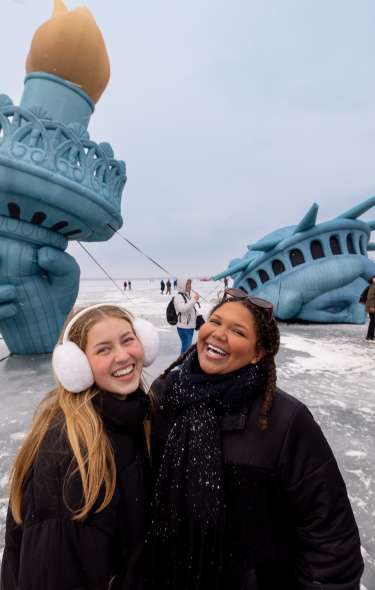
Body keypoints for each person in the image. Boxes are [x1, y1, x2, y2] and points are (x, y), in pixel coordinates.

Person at [148, 288, 364, 590]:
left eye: (237, 331)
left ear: (258, 353)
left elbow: (329, 535)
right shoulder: (165, 396)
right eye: (216, 321)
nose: (219, 334)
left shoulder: (285, 421)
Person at [1, 304, 159, 590]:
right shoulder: (70, 452)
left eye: (127, 340)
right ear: (76, 366)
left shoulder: (132, 417)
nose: (123, 356)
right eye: (103, 349)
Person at [173, 277, 200, 354]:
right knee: (186, 348)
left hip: (189, 326)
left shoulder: (186, 296)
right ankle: (182, 365)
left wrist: (194, 302)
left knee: (187, 348)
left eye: (190, 283)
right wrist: (194, 300)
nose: (189, 286)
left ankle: (183, 364)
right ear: (182, 285)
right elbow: (182, 309)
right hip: (184, 327)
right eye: (187, 283)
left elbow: (190, 308)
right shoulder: (178, 297)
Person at [365, 276, 375, 341]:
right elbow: (370, 298)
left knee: (373, 321)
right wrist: (372, 307)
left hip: (372, 306)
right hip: (372, 307)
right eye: (374, 279)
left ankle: (370, 336)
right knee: (373, 322)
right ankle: (369, 336)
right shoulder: (373, 287)